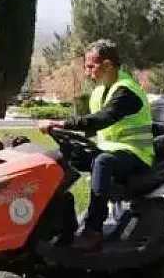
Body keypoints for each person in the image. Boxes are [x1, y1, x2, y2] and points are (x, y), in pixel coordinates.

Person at [38, 39, 154, 250]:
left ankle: (93, 231)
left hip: (136, 154)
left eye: (91, 66)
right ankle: (59, 222)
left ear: (108, 65)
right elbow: (94, 127)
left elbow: (102, 119)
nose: (87, 72)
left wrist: (61, 122)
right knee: (64, 157)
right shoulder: (101, 91)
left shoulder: (127, 92)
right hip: (112, 150)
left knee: (102, 163)